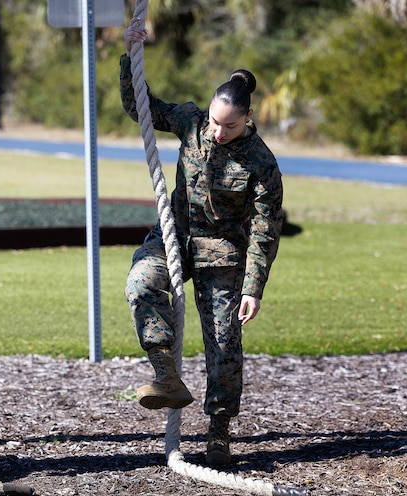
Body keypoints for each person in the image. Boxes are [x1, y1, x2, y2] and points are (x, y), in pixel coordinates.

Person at [120, 19, 283, 466]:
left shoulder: (261, 164)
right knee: (140, 283)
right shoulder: (191, 122)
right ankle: (165, 374)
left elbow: (265, 231)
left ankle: (219, 429)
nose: (217, 132)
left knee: (225, 343)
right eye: (214, 121)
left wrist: (253, 287)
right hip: (174, 236)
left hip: (223, 255)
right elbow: (141, 107)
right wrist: (128, 56)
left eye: (229, 126)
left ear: (248, 119)